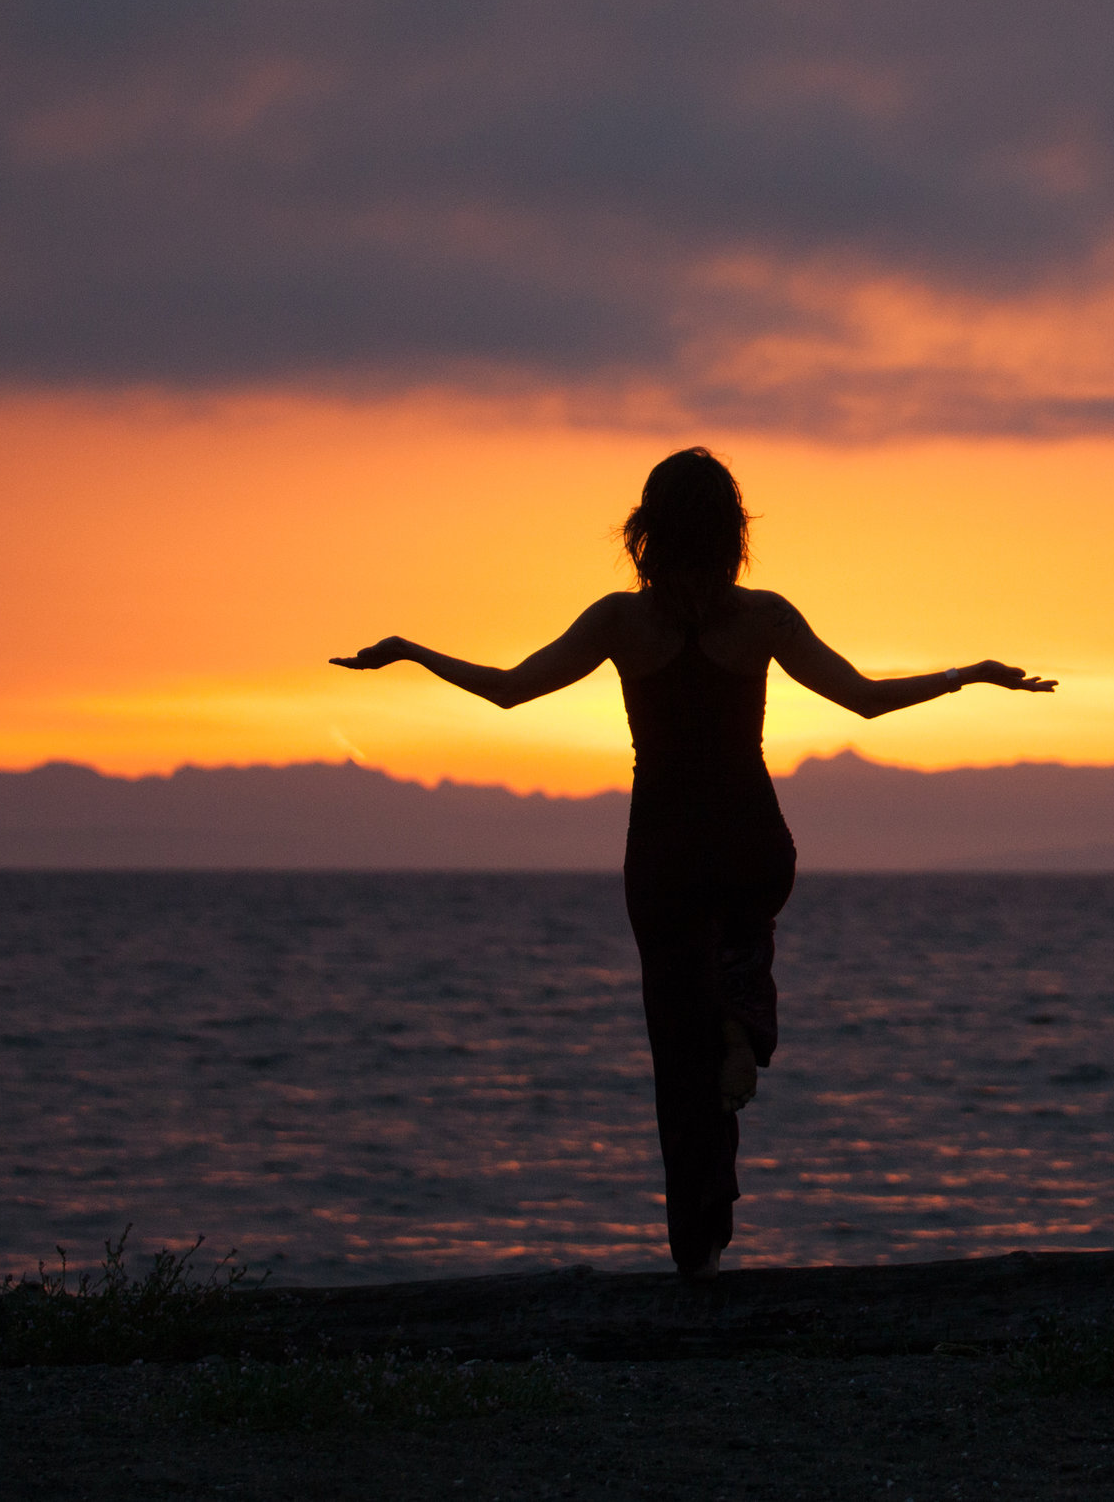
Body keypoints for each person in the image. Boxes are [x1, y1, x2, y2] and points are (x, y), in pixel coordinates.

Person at [331, 447, 1054, 1280]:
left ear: (647, 530)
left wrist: (414, 651)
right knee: (738, 959)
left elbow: (507, 689)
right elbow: (864, 697)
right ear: (733, 532)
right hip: (752, 843)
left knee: (680, 1064)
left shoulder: (618, 622)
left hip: (667, 852)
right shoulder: (765, 617)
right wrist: (973, 674)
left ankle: (699, 1252)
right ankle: (740, 1020)